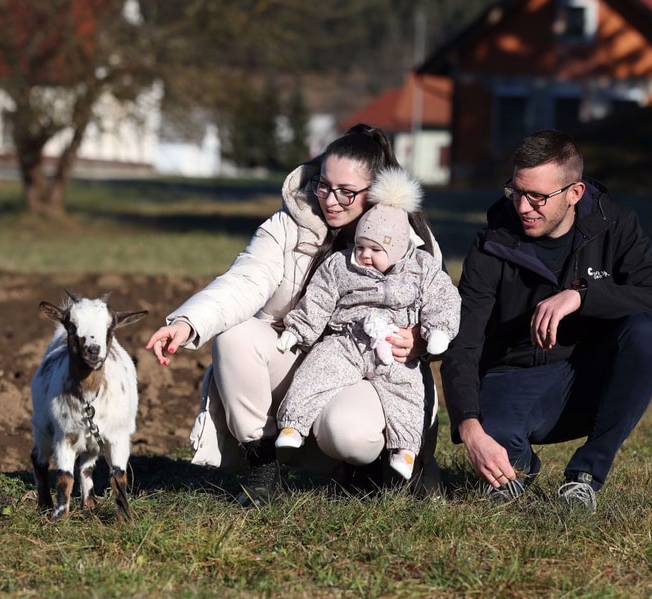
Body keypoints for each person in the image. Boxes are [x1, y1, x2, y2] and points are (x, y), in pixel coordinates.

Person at [145, 124, 445, 506]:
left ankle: (366, 470)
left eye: (346, 192)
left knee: (348, 431)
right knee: (236, 335)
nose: (330, 200)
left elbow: (442, 311)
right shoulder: (288, 225)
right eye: (323, 184)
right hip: (295, 351)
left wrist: (420, 340)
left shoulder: (414, 243)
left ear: (376, 193)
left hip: (371, 370)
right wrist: (188, 322)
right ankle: (263, 468)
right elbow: (245, 280)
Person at [441, 129, 652, 511]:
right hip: (514, 377)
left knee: (646, 331)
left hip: (589, 376)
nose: (523, 207)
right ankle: (521, 465)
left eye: (537, 197)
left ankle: (585, 476)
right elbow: (464, 341)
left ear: (575, 194)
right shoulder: (492, 244)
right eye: (516, 192)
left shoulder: (616, 225)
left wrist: (583, 296)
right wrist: (468, 427)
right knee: (498, 446)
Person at [274, 166, 461, 480]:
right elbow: (319, 297)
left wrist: (437, 331)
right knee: (317, 370)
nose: (364, 255)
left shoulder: (420, 267)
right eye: (361, 246)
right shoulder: (341, 264)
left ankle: (405, 450)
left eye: (376, 250)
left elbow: (444, 298)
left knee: (407, 394)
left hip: (392, 347)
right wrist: (299, 329)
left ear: (399, 249)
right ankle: (293, 427)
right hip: (348, 340)